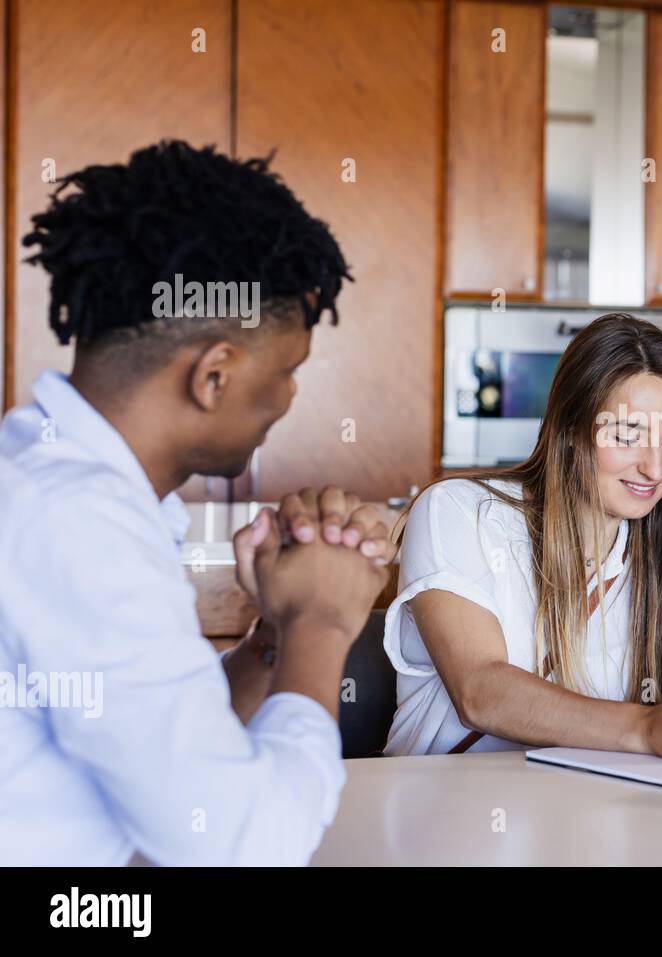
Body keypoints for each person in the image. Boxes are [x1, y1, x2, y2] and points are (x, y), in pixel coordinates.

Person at [0, 140, 395, 865]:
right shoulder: (79, 526)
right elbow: (241, 843)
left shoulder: (50, 482)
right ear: (213, 376)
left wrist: (274, 640)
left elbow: (158, 732)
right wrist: (322, 622)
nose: (291, 395)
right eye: (289, 369)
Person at [384, 314, 662, 759]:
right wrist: (645, 726)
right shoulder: (458, 512)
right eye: (628, 434)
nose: (655, 468)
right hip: (444, 809)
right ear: (572, 428)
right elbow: (480, 692)